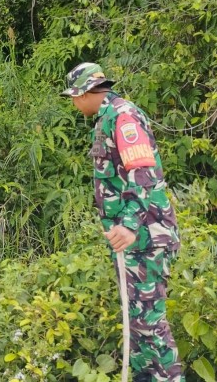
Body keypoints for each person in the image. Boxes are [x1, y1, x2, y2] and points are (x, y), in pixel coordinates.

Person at [62, 63, 183, 382]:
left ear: (87, 92)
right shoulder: (106, 118)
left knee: (150, 326)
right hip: (133, 245)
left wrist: (128, 225)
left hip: (147, 238)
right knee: (138, 324)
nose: (74, 104)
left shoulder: (123, 117)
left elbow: (142, 174)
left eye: (75, 97)